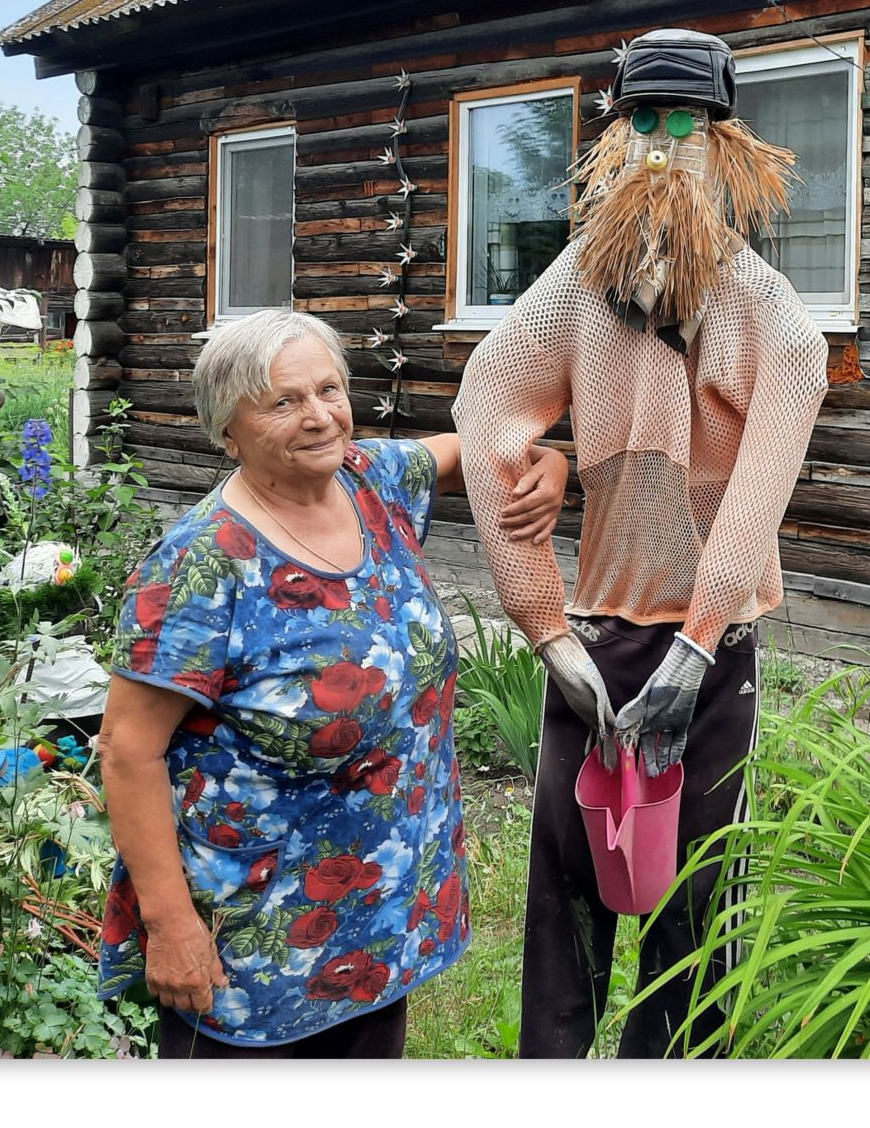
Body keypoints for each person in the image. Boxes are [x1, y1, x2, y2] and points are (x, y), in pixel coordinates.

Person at [452, 27, 828, 1057]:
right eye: (643, 121)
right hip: (598, 631)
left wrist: (699, 640)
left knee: (698, 892)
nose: (664, 147)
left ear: (726, 141)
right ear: (613, 138)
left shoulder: (773, 319)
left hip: (713, 652)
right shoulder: (574, 287)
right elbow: (487, 396)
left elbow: (756, 492)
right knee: (568, 881)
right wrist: (542, 626)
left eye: (687, 124)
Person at [95, 308, 568, 1058]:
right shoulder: (204, 565)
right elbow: (126, 750)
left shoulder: (369, 481)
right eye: (283, 402)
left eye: (329, 390)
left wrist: (546, 461)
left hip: (380, 916)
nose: (319, 417)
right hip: (252, 942)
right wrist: (171, 925)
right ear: (228, 431)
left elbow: (463, 449)